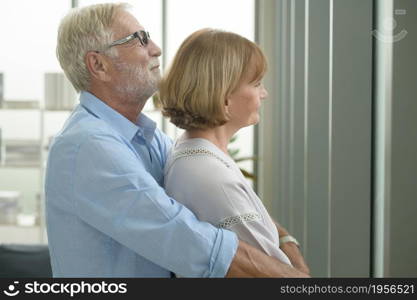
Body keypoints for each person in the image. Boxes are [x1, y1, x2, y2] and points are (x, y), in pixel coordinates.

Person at [45, 3, 309, 277]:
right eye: (140, 39)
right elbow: (194, 243)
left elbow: (218, 205)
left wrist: (285, 242)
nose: (156, 48)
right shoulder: (89, 146)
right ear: (98, 65)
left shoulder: (146, 139)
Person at [159, 28, 310, 276]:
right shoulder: (207, 175)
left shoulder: (200, 156)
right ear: (224, 97)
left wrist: (285, 240)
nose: (265, 93)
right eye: (257, 83)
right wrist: (291, 247)